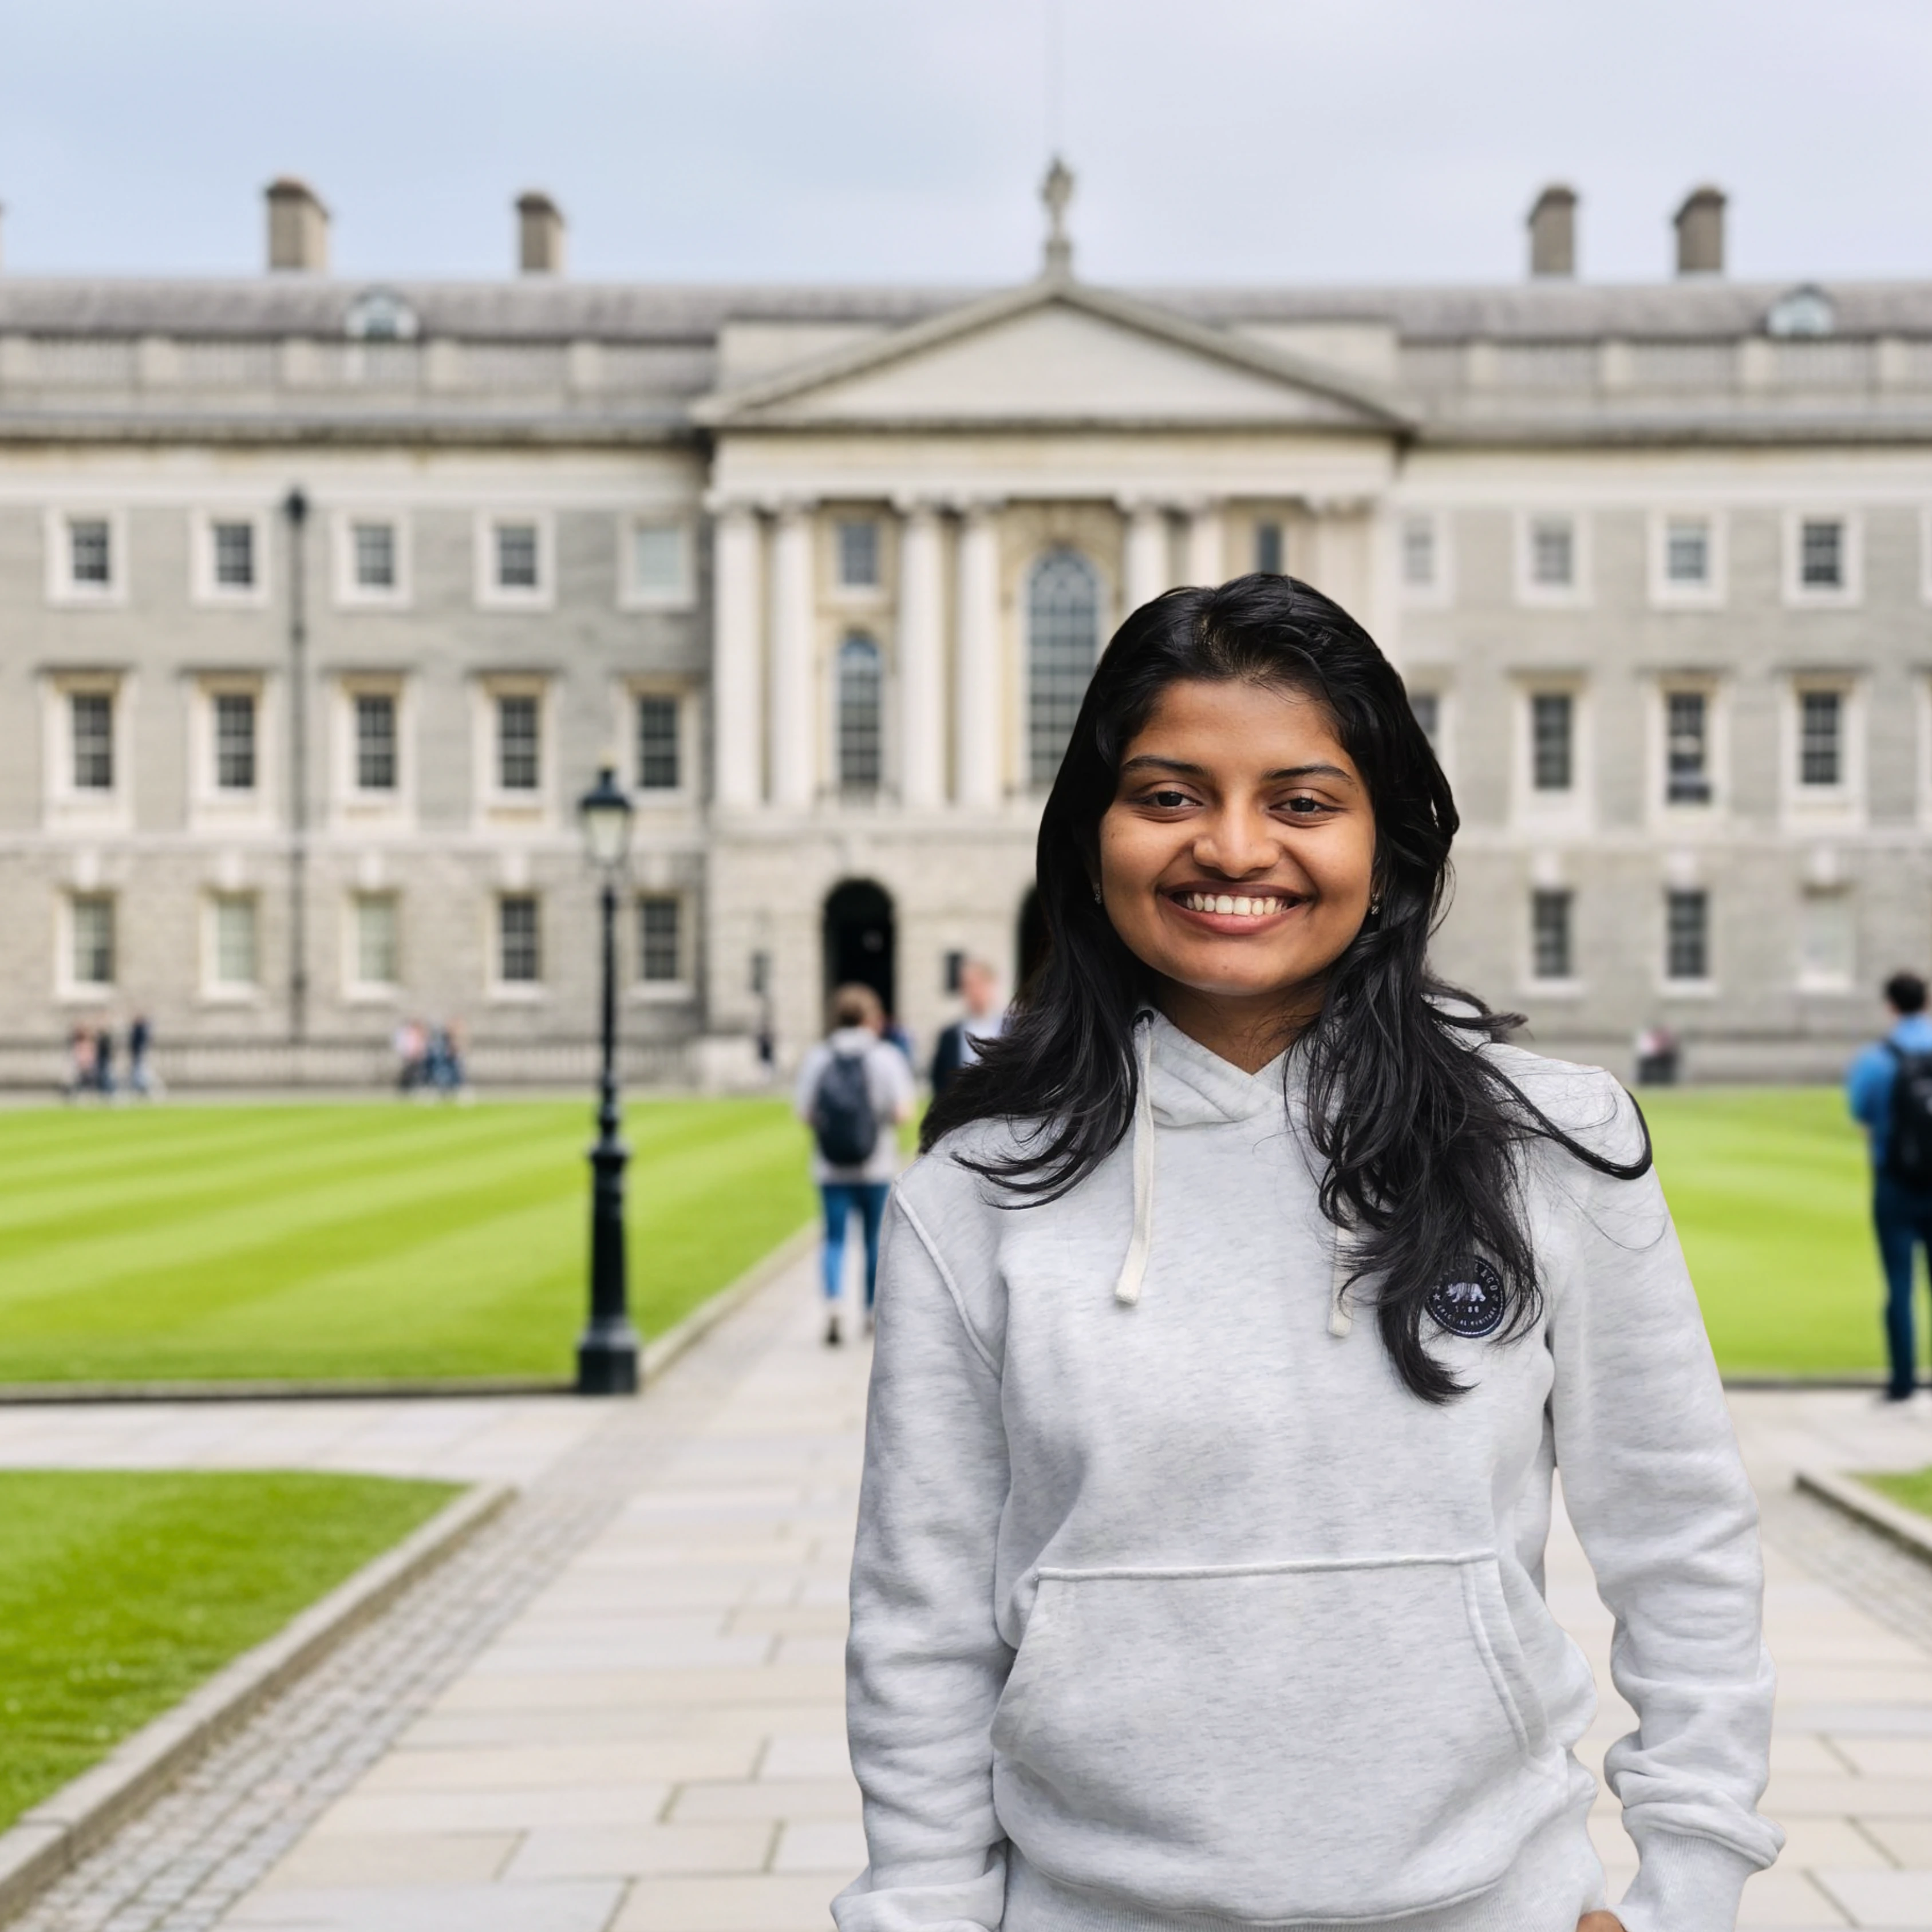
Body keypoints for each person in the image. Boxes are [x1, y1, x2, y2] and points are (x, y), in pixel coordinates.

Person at [837, 576, 1779, 1932]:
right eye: (1167, 795)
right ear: (1091, 839)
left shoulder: (1553, 1146)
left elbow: (1680, 1541)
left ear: (1385, 845)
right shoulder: (972, 1198)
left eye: (1299, 801)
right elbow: (919, 1630)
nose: (1231, 848)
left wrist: (1689, 1892)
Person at [796, 983, 915, 1348]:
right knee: (872, 1242)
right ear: (871, 1019)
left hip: (830, 1166)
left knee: (833, 1239)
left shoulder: (818, 1057)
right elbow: (903, 1112)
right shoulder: (885, 1057)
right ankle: (868, 1312)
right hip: (875, 1164)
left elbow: (805, 1113)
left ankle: (834, 1304)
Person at [1847, 970, 1932, 1401]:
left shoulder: (1878, 1057)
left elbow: (1860, 1110)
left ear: (1890, 1006)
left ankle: (1903, 1382)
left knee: (1898, 1284)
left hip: (1895, 1180)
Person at [929, 957, 1008, 1099]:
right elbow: (939, 1081)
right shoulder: (950, 1035)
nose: (974, 991)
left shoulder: (1011, 1031)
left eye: (979, 984)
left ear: (991, 986)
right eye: (968, 985)